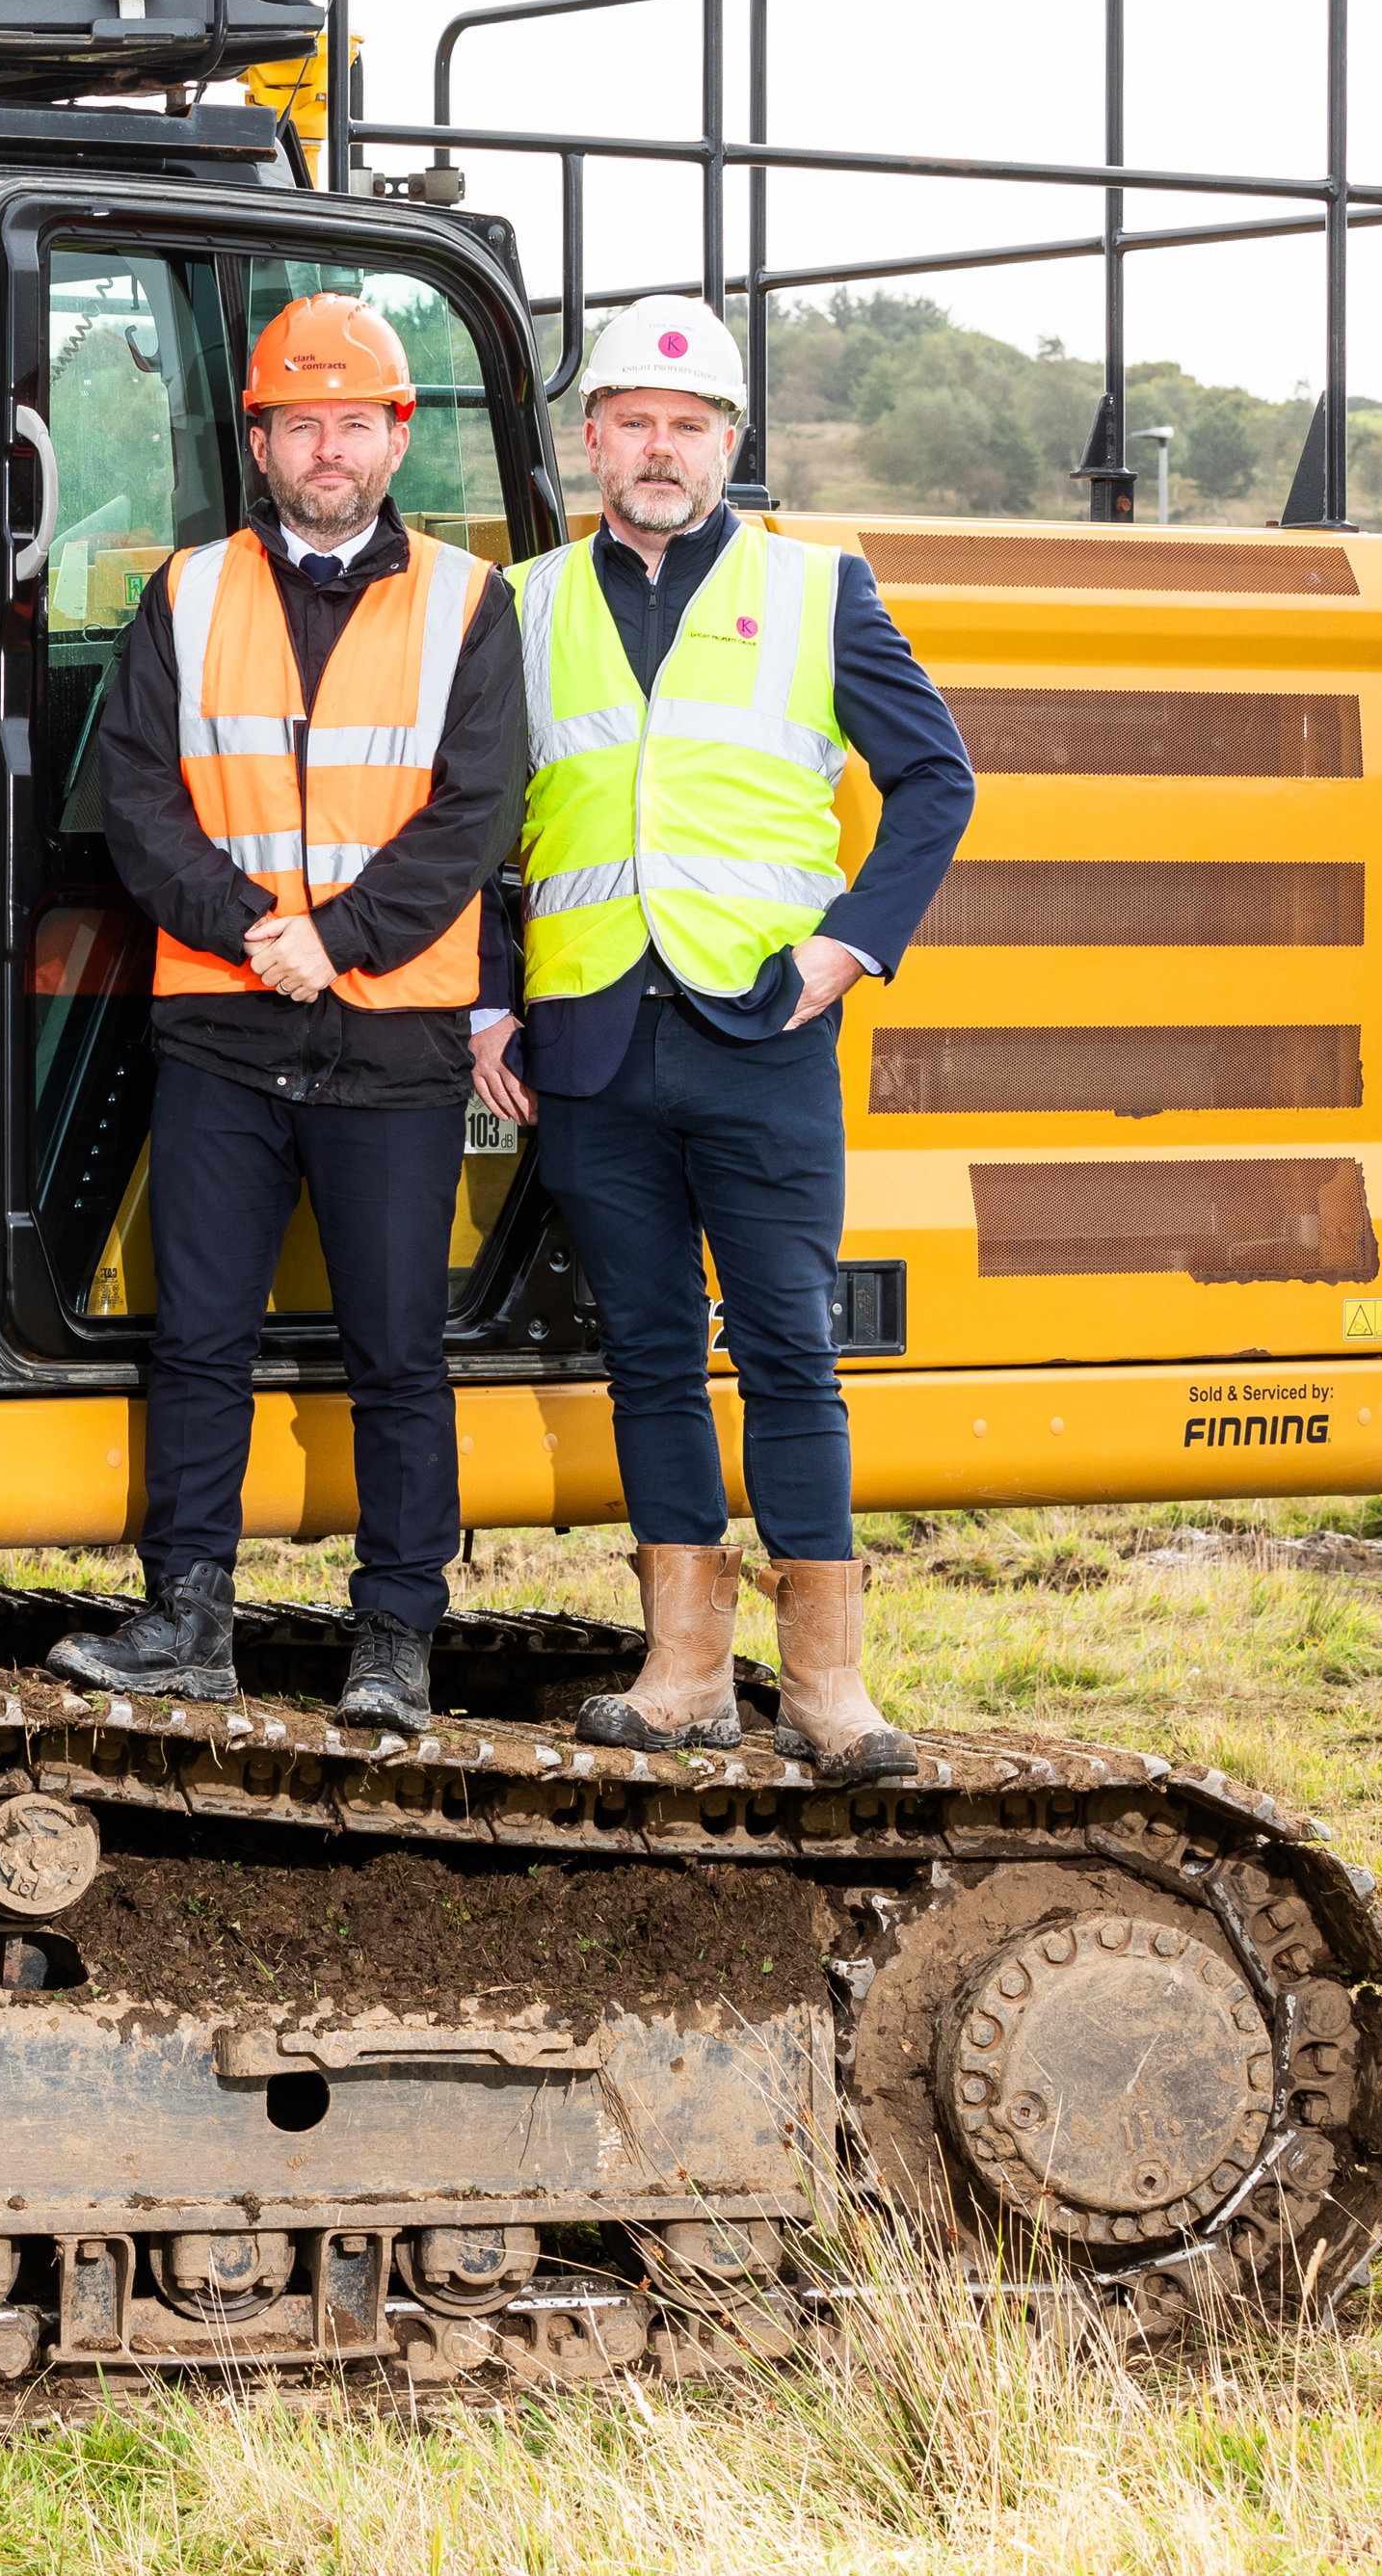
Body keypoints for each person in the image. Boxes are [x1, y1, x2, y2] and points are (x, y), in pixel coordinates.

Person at [469, 296, 974, 1784]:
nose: (660, 449)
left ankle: (828, 1684)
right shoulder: (526, 602)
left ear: (731, 446)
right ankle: (686, 1669)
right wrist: (494, 995)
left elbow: (934, 780)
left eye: (690, 427)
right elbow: (478, 824)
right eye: (634, 421)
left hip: (760, 1029)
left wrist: (848, 943)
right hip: (591, 1039)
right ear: (592, 439)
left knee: (787, 1352)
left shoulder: (820, 591)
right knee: (644, 1355)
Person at [46, 291, 524, 1729]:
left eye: (353, 422)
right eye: (299, 422)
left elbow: (475, 814)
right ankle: (187, 1611)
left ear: (396, 438)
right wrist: (256, 935)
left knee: (396, 1345)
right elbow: (140, 800)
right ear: (260, 442)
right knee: (200, 1335)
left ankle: (394, 1636)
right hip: (226, 1025)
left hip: (390, 1035)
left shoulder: (467, 604)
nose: (327, 447)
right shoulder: (186, 594)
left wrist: (341, 940)